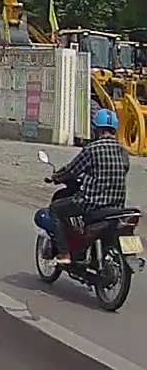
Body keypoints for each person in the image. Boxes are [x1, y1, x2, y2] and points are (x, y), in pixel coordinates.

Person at [48, 108, 130, 264]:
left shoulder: (92, 149)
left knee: (55, 209)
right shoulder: (122, 151)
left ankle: (64, 254)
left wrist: (56, 177)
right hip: (117, 205)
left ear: (96, 129)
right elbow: (124, 169)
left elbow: (72, 170)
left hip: (92, 203)